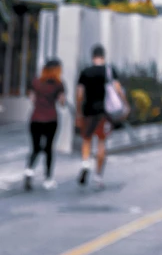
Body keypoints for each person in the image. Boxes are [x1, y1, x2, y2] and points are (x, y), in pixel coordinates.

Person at [23, 58, 67, 189]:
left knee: (35, 148)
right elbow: (62, 102)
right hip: (51, 120)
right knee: (48, 149)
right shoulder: (58, 84)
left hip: (35, 119)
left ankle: (29, 172)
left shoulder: (36, 82)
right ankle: (48, 179)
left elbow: (32, 98)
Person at [76, 43, 114, 189]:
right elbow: (116, 89)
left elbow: (80, 94)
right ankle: (98, 176)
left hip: (88, 112)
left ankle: (86, 163)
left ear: (92, 56)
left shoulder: (86, 71)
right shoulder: (108, 71)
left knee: (86, 139)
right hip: (103, 113)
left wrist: (79, 112)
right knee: (101, 143)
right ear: (103, 56)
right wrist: (124, 104)